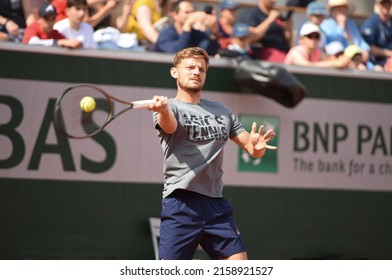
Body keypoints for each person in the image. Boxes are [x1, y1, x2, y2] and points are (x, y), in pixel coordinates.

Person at [148, 47, 277, 260]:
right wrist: (162, 111)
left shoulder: (222, 111)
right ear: (175, 72)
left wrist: (258, 147)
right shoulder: (170, 108)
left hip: (216, 205)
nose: (196, 72)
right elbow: (169, 127)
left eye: (201, 69)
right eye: (189, 67)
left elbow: (252, 150)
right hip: (181, 203)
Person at [153, 0, 220, 55]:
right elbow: (175, 53)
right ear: (174, 15)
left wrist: (214, 28)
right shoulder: (165, 34)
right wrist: (187, 25)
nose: (191, 15)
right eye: (187, 12)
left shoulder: (197, 34)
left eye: (193, 12)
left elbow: (210, 51)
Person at [320, 0, 371, 67]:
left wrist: (365, 49)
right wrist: (341, 26)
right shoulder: (326, 24)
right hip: (341, 61)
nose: (343, 11)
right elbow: (333, 42)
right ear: (333, 11)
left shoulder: (351, 24)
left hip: (358, 57)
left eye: (345, 8)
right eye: (339, 9)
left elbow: (360, 41)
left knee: (377, 68)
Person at [284, 22, 349, 68]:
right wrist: (335, 63)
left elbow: (328, 61)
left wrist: (341, 60)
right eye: (310, 36)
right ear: (302, 38)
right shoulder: (295, 52)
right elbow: (307, 67)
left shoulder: (317, 52)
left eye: (316, 36)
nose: (313, 39)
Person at [361, 0, 392, 70]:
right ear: (377, 4)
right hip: (377, 63)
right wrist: (389, 54)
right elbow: (369, 47)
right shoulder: (371, 22)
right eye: (383, 3)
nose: (386, 5)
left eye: (388, 2)